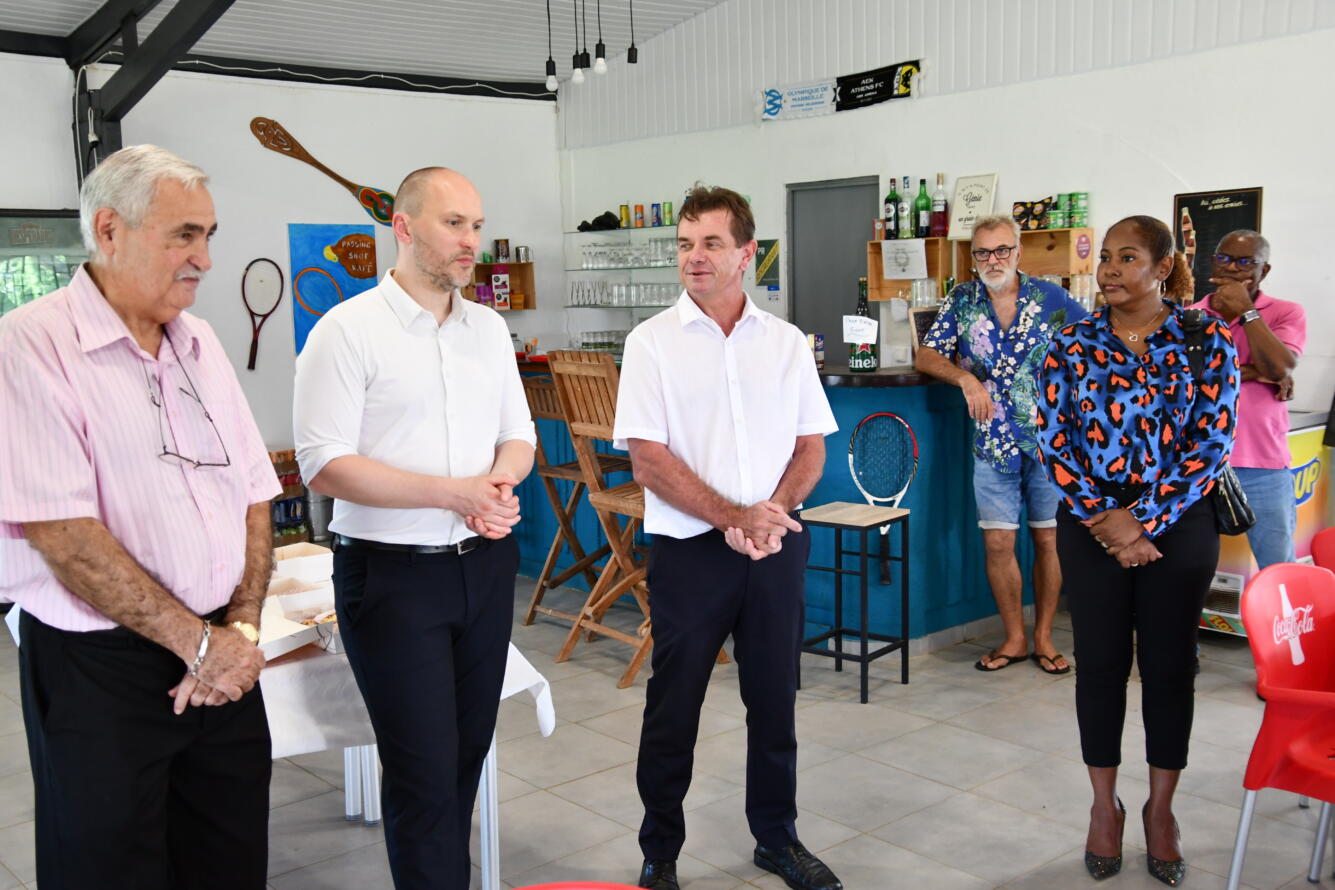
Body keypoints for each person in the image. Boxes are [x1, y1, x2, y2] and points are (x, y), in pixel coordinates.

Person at [0, 145, 278, 889]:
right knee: (109, 868)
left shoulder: (201, 342)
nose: (204, 259)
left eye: (208, 235)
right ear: (109, 230)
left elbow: (254, 489)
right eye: (184, 235)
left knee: (228, 860)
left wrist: (241, 629)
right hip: (103, 672)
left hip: (222, 654)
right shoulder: (31, 344)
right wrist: (199, 645)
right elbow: (64, 536)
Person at [293, 166, 535, 890]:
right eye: (453, 223)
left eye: (476, 226)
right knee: (423, 773)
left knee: (465, 757)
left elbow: (518, 436)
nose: (470, 242)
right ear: (402, 227)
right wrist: (454, 494)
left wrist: (497, 487)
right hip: (391, 576)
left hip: (484, 566)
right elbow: (323, 464)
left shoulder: (487, 329)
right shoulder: (346, 331)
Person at [613, 186, 841, 890]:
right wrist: (732, 518)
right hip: (691, 554)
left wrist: (770, 512)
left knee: (773, 700)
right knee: (673, 705)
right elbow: (648, 461)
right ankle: (660, 852)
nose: (695, 257)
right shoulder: (650, 343)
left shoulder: (784, 342)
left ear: (746, 254)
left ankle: (777, 839)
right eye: (685, 244)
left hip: (774, 546)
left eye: (711, 243)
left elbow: (810, 446)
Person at [1036, 215, 1239, 885]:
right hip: (1090, 522)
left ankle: (1160, 809)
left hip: (1178, 521)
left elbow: (1212, 442)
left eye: (1128, 258)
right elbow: (1053, 441)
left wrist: (1142, 521)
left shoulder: (1206, 338)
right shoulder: (1071, 343)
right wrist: (1108, 520)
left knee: (1169, 668)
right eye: (1106, 258)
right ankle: (1104, 807)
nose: (1110, 270)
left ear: (1162, 267)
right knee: (1097, 666)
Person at [916, 214, 1086, 674]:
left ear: (1018, 253)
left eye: (1002, 250)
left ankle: (1045, 638)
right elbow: (927, 354)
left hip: (1049, 444)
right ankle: (1014, 638)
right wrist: (965, 378)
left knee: (1048, 540)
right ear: (973, 258)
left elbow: (1093, 345)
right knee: (997, 544)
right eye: (983, 252)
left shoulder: (1050, 297)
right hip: (992, 442)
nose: (993, 259)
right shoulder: (962, 300)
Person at [1189, 230, 1305, 569]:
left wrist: (1247, 311)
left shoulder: (1285, 312)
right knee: (1187, 563)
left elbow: (1280, 365)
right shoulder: (1189, 317)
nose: (1232, 268)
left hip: (1262, 463)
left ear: (1263, 271)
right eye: (1224, 259)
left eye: (1245, 262)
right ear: (1212, 262)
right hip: (1197, 460)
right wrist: (1257, 371)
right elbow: (1186, 378)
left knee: (1278, 564)